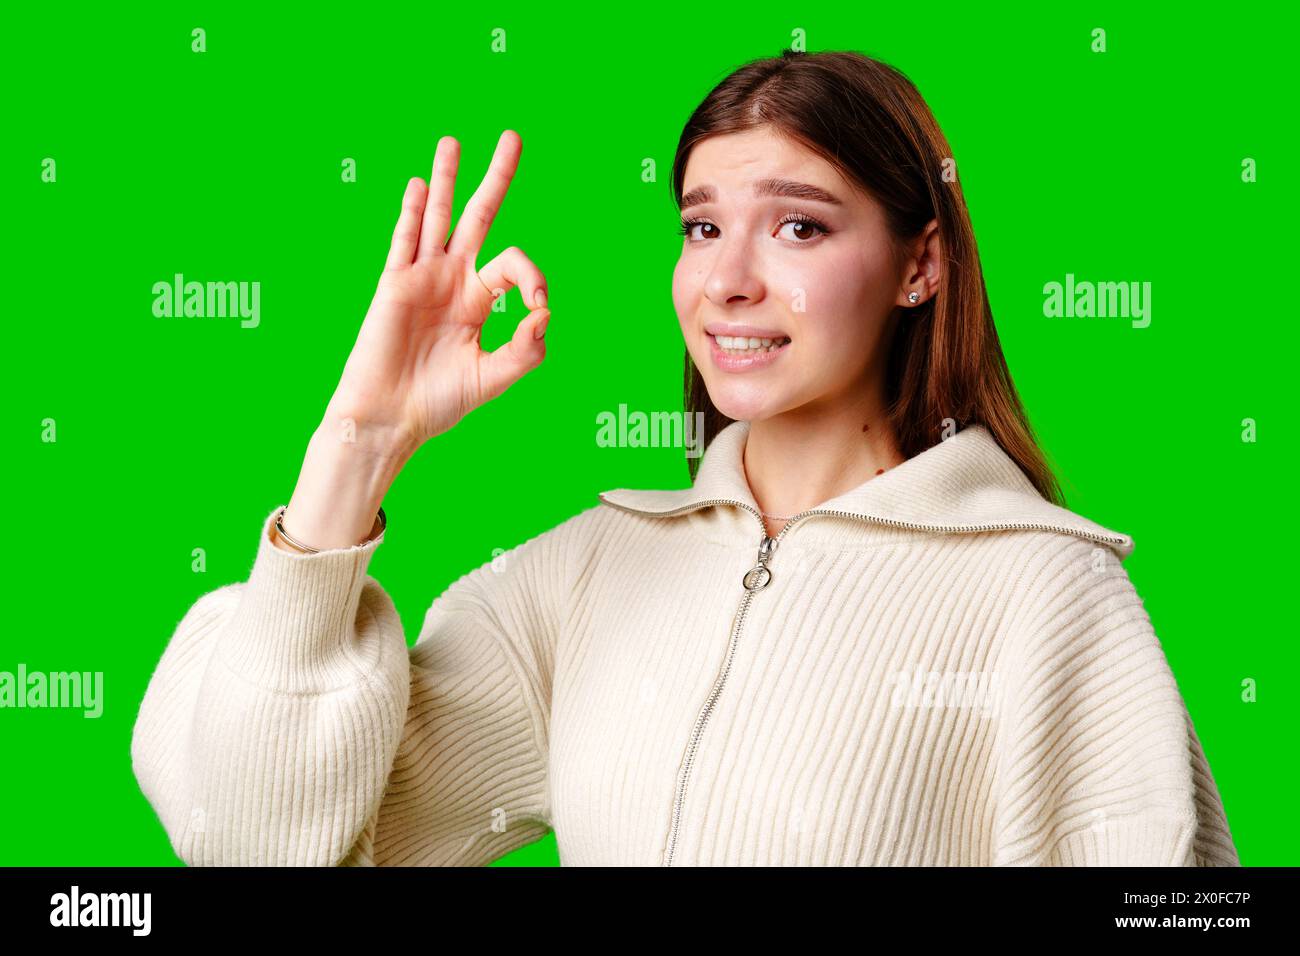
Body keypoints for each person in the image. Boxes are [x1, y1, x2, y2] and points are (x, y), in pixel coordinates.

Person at [131, 49, 1239, 866]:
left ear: (920, 265)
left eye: (798, 227)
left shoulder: (1046, 592)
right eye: (702, 225)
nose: (727, 279)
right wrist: (356, 447)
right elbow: (258, 837)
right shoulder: (588, 574)